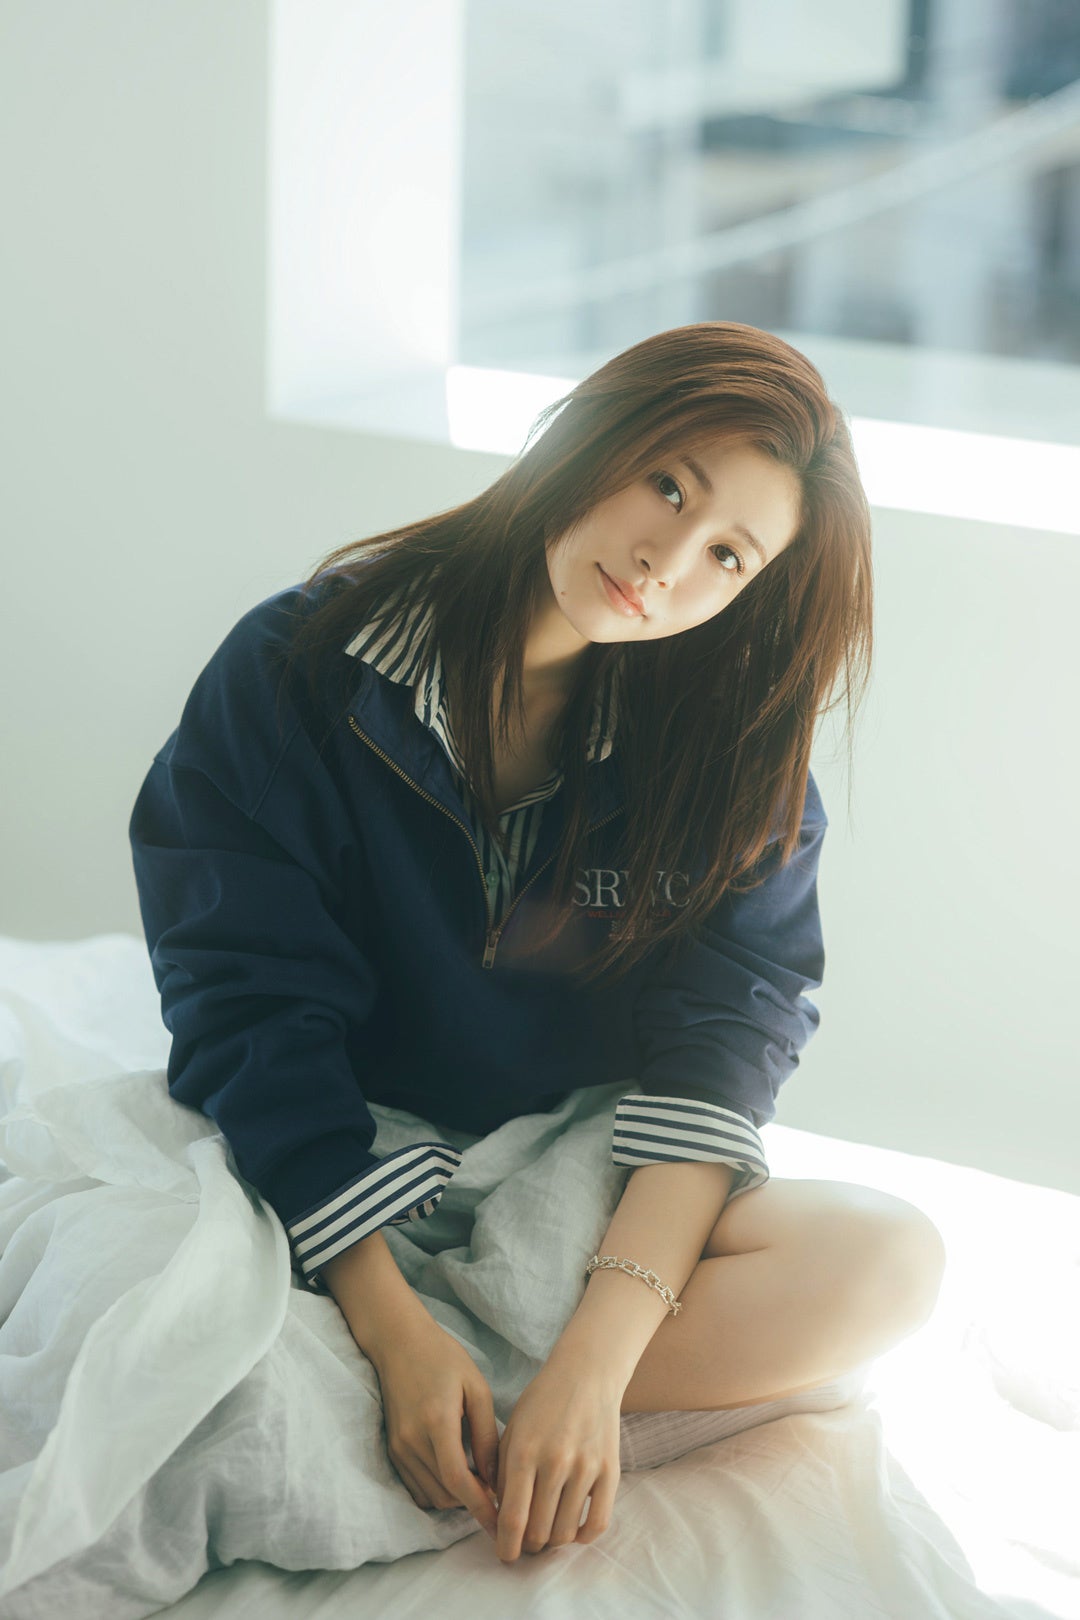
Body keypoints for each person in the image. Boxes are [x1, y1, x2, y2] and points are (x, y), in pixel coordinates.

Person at [128, 320, 946, 1568]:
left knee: (890, 1261)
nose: (667, 559)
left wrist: (592, 1373)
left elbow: (719, 1058)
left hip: (575, 1179)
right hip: (333, 1161)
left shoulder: (731, 767)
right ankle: (392, 1376)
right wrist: (393, 1327)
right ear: (597, 434)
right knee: (137, 1351)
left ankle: (467, 1409)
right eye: (669, 485)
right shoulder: (300, 668)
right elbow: (246, 1005)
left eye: (728, 555)